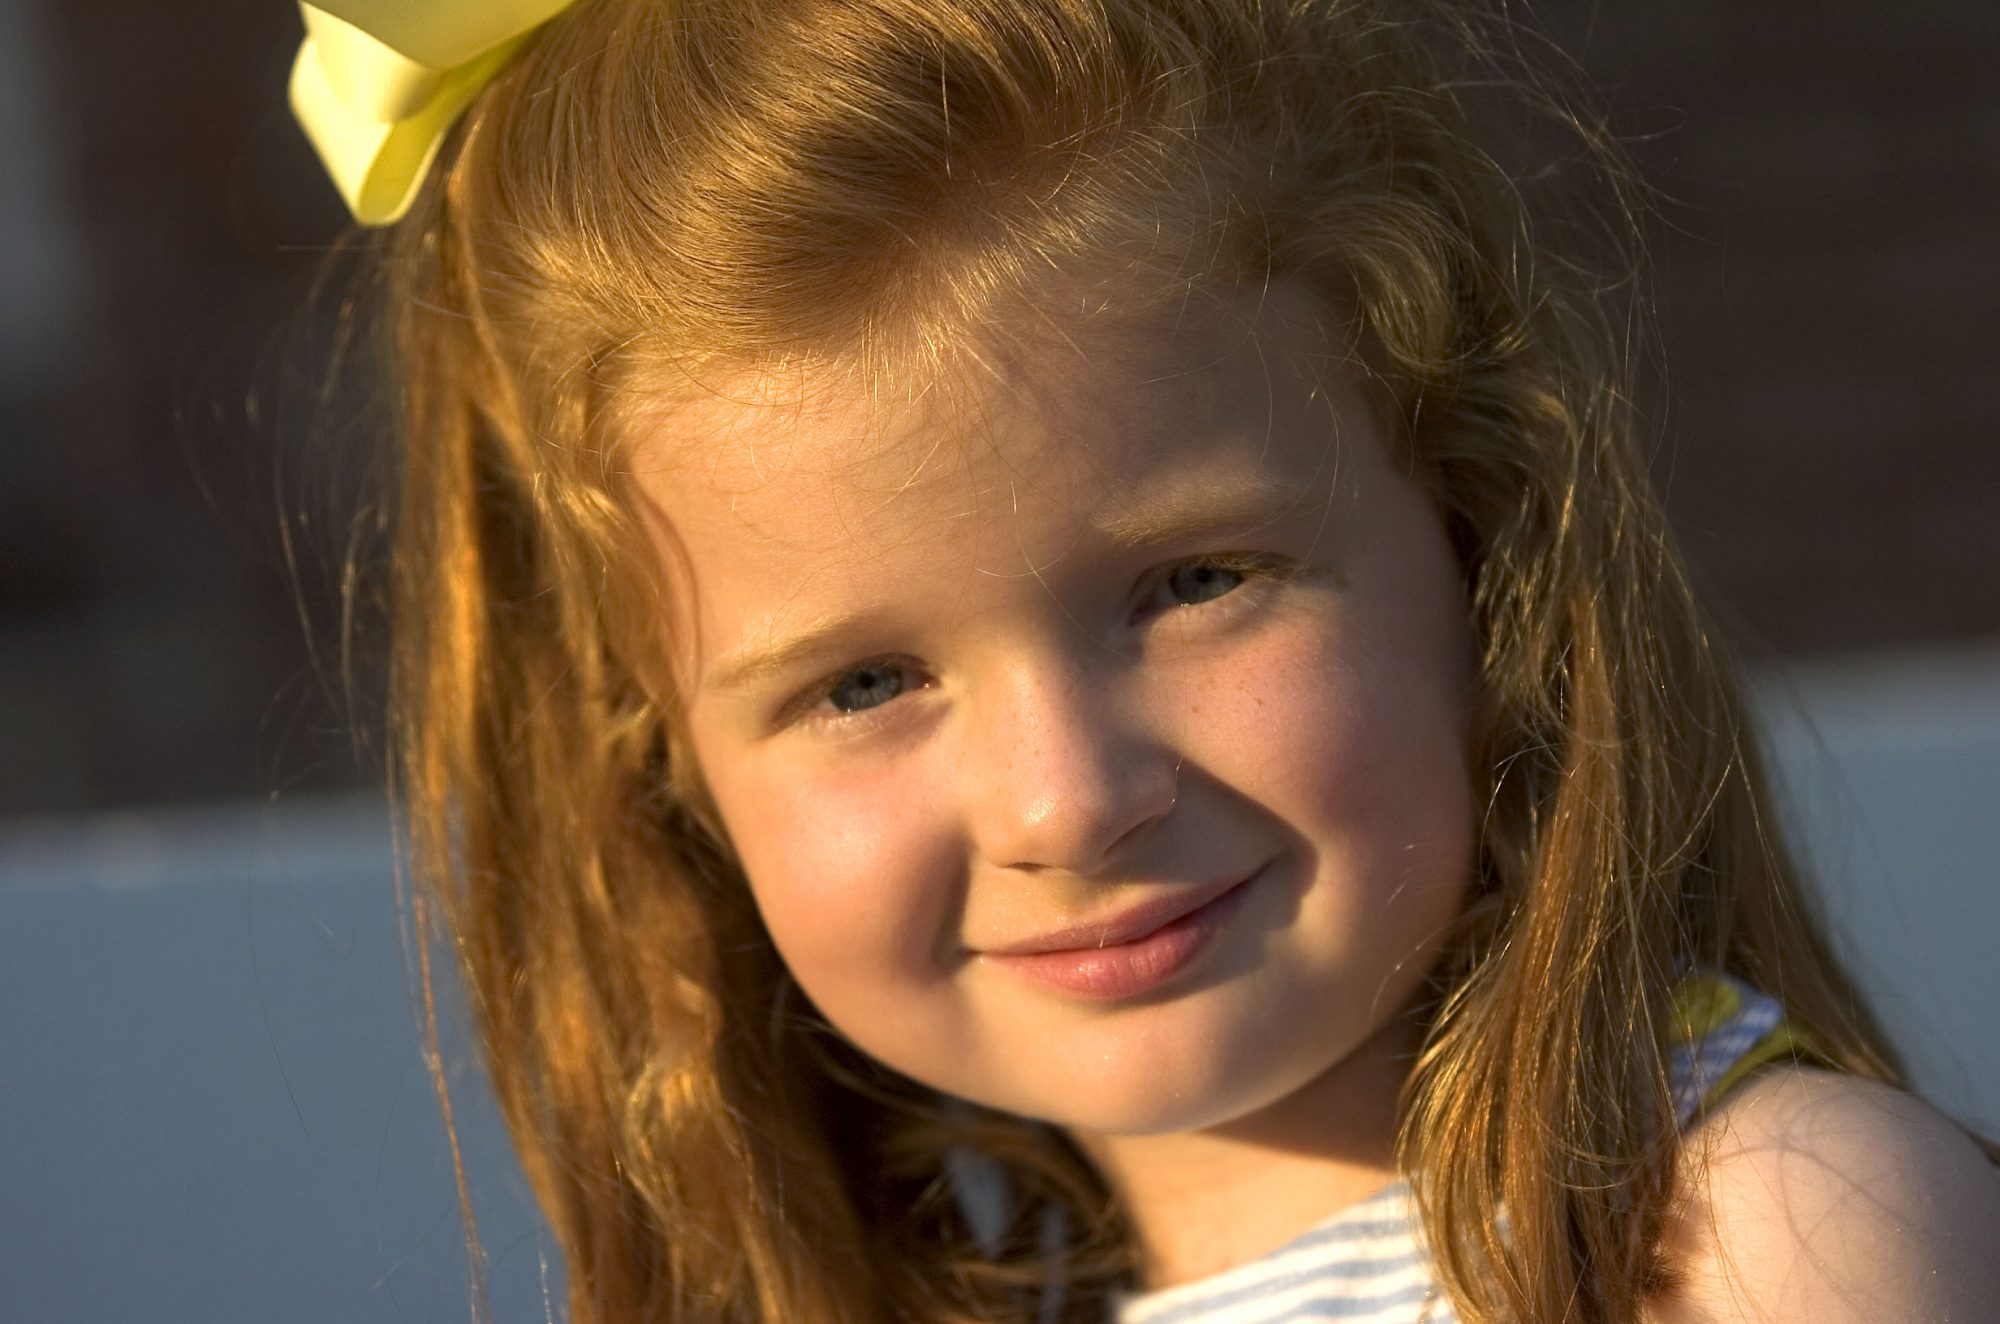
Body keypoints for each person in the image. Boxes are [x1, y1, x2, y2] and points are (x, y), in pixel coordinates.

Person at [289, 1, 2000, 1320]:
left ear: (1478, 531)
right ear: (667, 768)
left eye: (1194, 584)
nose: (1067, 799)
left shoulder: (1735, 1240)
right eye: (865, 685)